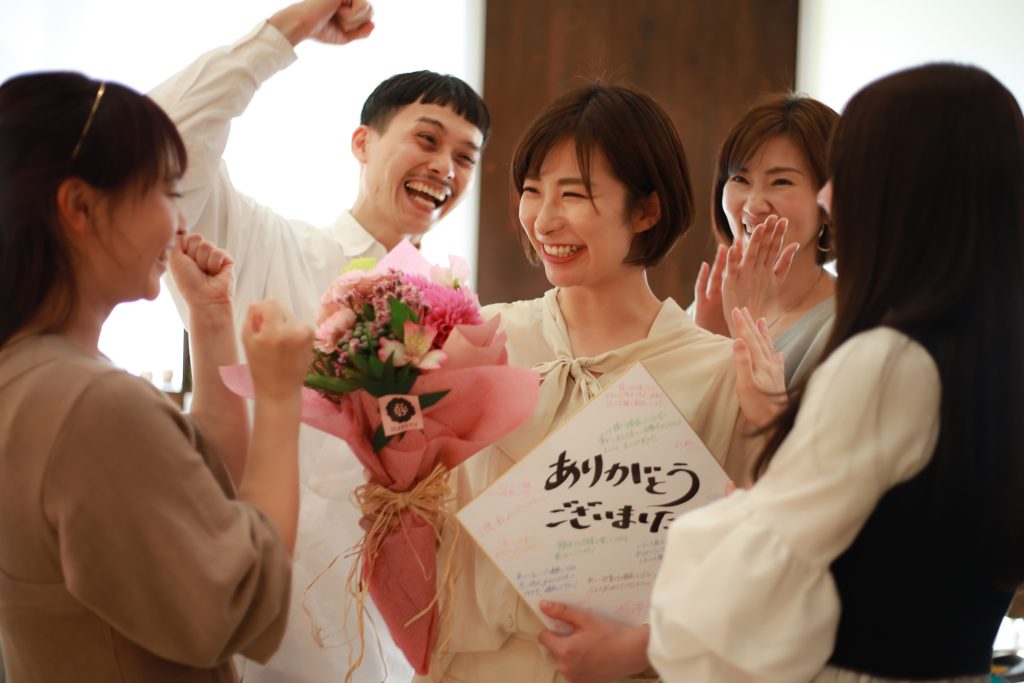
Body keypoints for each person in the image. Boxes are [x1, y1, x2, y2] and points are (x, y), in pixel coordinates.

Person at [648, 63, 1024, 682]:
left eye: (843, 172)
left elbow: (759, 573)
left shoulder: (885, 359)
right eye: (740, 178)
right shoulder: (988, 344)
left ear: (905, 185)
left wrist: (748, 500)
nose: (829, 196)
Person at [148, 1, 490, 680]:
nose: (444, 166)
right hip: (255, 622)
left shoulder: (461, 324)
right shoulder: (268, 249)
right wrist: (290, 30)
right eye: (426, 139)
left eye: (464, 156)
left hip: (390, 640)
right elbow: (163, 145)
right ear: (363, 143)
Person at [422, 81, 754, 683]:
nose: (544, 219)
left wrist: (646, 648)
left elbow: (744, 576)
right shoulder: (482, 338)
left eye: (573, 194)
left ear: (646, 210)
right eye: (531, 192)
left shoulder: (717, 372)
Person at [0, 72, 312, 681]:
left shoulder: (35, 375)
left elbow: (201, 482)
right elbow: (236, 599)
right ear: (81, 206)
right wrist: (278, 396)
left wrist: (211, 321)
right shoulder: (88, 403)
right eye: (167, 192)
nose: (178, 221)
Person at [692, 94, 839, 386]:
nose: (753, 205)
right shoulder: (710, 305)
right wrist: (705, 340)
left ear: (827, 203)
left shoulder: (843, 327)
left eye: (781, 182)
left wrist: (739, 336)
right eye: (740, 179)